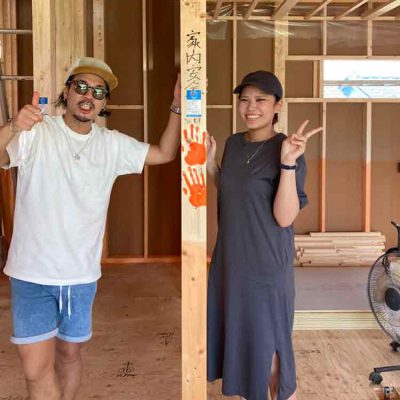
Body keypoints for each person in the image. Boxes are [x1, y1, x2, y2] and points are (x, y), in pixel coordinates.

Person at [0, 57, 181, 400]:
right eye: (81, 87)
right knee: (35, 369)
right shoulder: (37, 132)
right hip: (30, 274)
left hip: (80, 276)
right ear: (66, 92)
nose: (88, 96)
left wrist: (176, 106)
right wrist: (13, 125)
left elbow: (164, 153)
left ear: (104, 102)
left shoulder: (112, 144)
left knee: (70, 354)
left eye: (98, 91)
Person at [206, 70, 322, 400]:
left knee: (270, 356)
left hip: (266, 266)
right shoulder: (233, 143)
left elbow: (284, 216)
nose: (251, 107)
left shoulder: (287, 149)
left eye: (260, 99)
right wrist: (210, 164)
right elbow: (233, 189)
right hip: (231, 261)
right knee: (244, 348)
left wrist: (287, 164)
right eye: (244, 100)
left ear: (277, 106)